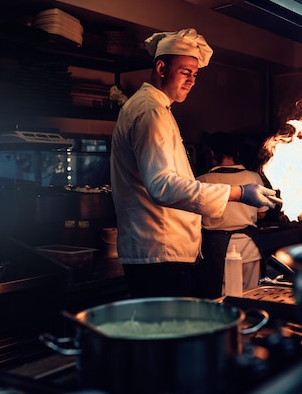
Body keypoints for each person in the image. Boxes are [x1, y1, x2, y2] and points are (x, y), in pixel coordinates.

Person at [110, 28, 280, 298]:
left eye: (195, 74)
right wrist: (239, 192)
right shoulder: (150, 111)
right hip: (160, 253)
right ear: (161, 68)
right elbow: (162, 185)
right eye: (185, 72)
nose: (191, 81)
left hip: (161, 252)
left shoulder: (155, 108)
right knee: (169, 335)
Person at [197, 132, 268, 298]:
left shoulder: (202, 181)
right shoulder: (253, 177)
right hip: (250, 250)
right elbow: (262, 214)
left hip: (217, 252)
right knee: (253, 299)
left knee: (222, 302)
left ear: (212, 153)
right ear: (237, 153)